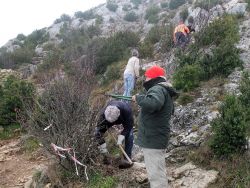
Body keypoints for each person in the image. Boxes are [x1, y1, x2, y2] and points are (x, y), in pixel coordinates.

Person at [132, 65, 178, 188]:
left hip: (153, 139)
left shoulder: (157, 89)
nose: (145, 79)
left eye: (146, 77)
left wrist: (139, 98)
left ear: (152, 77)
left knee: (156, 175)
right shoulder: (163, 89)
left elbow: (153, 104)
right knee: (157, 171)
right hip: (156, 137)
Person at [95, 100, 134, 165]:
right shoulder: (103, 114)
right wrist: (103, 149)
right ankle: (106, 156)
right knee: (97, 133)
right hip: (106, 121)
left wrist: (122, 136)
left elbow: (129, 126)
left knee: (129, 135)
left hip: (123, 119)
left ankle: (127, 158)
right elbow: (98, 132)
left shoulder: (126, 110)